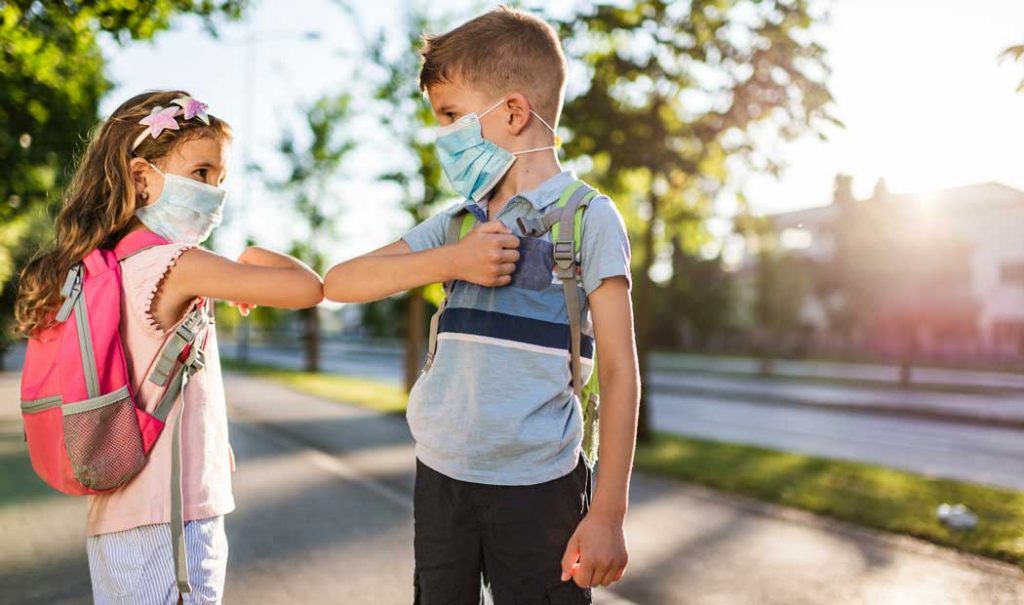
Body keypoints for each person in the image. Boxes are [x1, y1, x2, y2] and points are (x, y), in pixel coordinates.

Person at [324, 7, 640, 603]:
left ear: (514, 112)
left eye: (450, 117)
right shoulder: (455, 225)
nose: (442, 136)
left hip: (540, 485)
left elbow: (621, 373)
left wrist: (608, 516)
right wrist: (452, 261)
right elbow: (340, 282)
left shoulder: (588, 217)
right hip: (441, 479)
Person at [14, 89, 323, 604]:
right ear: (142, 177)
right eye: (201, 173)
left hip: (119, 519)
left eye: (221, 179)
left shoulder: (111, 267)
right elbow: (309, 288)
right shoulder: (177, 264)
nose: (214, 193)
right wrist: (252, 257)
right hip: (171, 521)